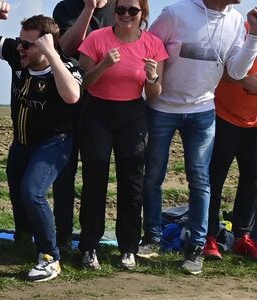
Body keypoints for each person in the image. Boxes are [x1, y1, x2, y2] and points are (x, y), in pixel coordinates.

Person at [139, 0, 257, 275]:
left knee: (201, 179)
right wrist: (152, 83)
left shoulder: (236, 20)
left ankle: (197, 246)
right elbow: (148, 48)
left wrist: (253, 35)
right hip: (163, 107)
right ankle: (152, 237)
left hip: (203, 110)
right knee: (154, 175)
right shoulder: (175, 13)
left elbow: (237, 71)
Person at [0, 1, 82, 282]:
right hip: (21, 142)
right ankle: (24, 241)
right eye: (20, 41)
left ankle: (50, 257)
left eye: (29, 44)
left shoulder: (65, 66)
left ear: (46, 45)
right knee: (18, 192)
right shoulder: (17, 55)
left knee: (33, 192)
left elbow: (72, 95)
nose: (20, 48)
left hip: (53, 143)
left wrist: (52, 55)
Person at [75, 0, 167, 270]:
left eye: (132, 10)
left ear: (142, 13)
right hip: (97, 113)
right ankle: (89, 246)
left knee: (132, 181)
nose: (126, 15)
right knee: (95, 179)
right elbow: (83, 84)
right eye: (121, 10)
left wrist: (152, 78)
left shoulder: (153, 44)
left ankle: (128, 248)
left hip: (132, 113)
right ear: (114, 13)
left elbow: (154, 95)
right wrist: (103, 64)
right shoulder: (97, 38)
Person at [51, 0, 115, 248]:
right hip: (68, 101)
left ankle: (91, 240)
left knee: (96, 173)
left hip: (102, 104)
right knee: (64, 172)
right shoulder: (65, 8)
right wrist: (88, 9)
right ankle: (63, 235)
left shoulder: (120, 8)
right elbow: (66, 47)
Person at [204, 36, 257, 260]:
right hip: (223, 116)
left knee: (252, 181)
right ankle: (208, 236)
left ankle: (242, 236)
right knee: (213, 180)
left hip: (255, 123)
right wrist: (243, 80)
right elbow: (215, 67)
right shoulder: (241, 31)